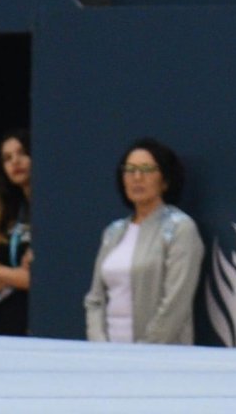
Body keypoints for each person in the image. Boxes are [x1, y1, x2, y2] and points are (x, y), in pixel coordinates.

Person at [84, 137, 204, 344]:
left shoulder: (180, 229)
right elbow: (95, 299)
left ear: (165, 180)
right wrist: (99, 346)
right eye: (129, 170)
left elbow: (176, 303)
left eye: (147, 169)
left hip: (158, 358)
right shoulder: (113, 232)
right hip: (107, 355)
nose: (137, 177)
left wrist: (144, 352)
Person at [0, 129, 32, 336]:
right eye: (7, 158)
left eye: (21, 153)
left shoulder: (47, 214)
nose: (15, 162)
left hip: (33, 323)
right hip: (3, 324)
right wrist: (14, 275)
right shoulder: (10, 217)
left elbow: (34, 280)